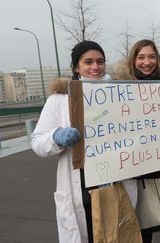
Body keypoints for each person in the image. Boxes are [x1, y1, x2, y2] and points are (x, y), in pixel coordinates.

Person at [31, 40, 137, 243]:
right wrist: (56, 137)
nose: (95, 67)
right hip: (81, 189)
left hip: (115, 184)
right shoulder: (58, 100)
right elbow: (37, 143)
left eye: (100, 61)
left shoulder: (120, 95)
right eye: (88, 62)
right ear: (76, 67)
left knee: (118, 234)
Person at [114, 39, 160, 243]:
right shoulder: (120, 89)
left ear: (158, 59)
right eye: (141, 57)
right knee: (142, 222)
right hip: (138, 170)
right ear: (133, 60)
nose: (147, 62)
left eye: (151, 56)